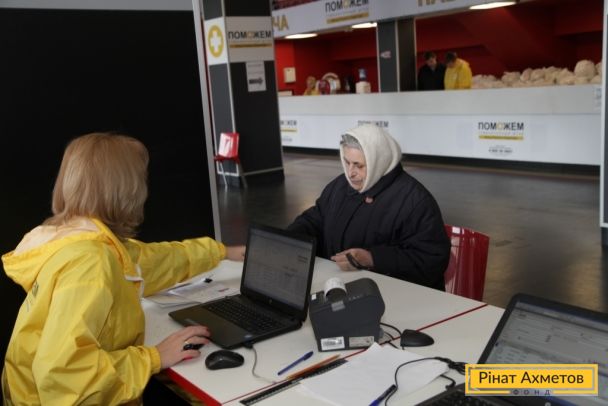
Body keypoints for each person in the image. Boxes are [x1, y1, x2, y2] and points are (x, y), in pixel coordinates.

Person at [1, 133, 245, 405]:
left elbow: (153, 261)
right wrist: (154, 357)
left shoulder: (72, 238)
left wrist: (222, 252)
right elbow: (63, 377)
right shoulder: (90, 264)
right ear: (127, 190)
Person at [287, 124, 450, 290]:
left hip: (393, 293)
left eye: (359, 165)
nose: (350, 173)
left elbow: (432, 259)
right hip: (340, 284)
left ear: (378, 162)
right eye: (346, 162)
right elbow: (315, 219)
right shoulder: (339, 186)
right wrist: (290, 238)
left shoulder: (415, 201)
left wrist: (372, 259)